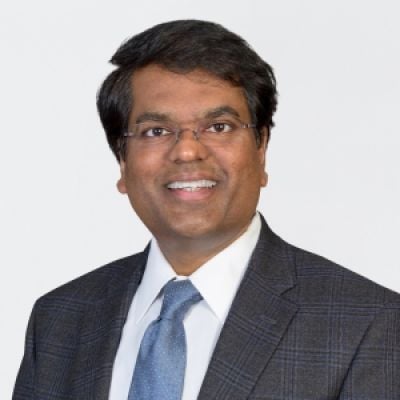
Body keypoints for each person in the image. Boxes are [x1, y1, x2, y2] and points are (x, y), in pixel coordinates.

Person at [13, 19, 400, 400]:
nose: (186, 151)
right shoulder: (59, 321)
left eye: (219, 126)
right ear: (122, 163)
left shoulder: (370, 325)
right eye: (156, 132)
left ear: (261, 149)